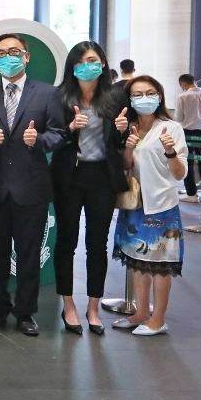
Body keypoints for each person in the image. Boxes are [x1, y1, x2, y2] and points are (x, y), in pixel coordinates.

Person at [0, 33, 67, 336]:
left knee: (28, 253)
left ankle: (26, 312)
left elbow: (59, 134)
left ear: (26, 56)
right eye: (0, 53)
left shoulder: (48, 93)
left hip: (31, 186)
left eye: (13, 51)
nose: (7, 57)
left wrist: (39, 140)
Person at [51, 42, 129, 336]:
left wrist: (122, 131)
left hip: (102, 176)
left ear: (103, 63)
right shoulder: (60, 96)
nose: (87, 66)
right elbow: (52, 137)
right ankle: (68, 304)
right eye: (81, 61)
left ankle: (93, 308)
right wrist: (70, 128)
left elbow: (120, 143)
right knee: (67, 241)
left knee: (97, 243)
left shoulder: (115, 96)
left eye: (93, 60)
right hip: (69, 176)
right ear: (72, 66)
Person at [112, 76, 187, 336]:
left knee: (160, 263)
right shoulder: (129, 126)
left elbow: (180, 173)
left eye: (150, 92)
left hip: (161, 205)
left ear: (159, 96)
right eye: (137, 94)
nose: (144, 98)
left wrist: (170, 152)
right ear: (130, 99)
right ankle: (141, 312)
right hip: (134, 203)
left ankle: (158, 319)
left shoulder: (171, 128)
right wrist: (128, 148)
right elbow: (124, 165)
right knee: (137, 259)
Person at [174, 74, 201, 199]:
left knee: (187, 161)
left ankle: (191, 193)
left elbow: (178, 118)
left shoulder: (182, 96)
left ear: (183, 84)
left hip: (187, 132)